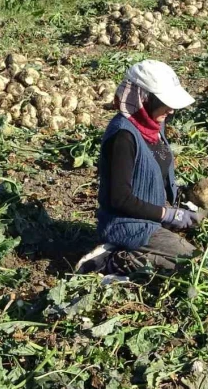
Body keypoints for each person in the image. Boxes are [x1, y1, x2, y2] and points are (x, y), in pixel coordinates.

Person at [78, 60, 199, 275]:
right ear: (144, 98)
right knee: (193, 265)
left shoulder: (153, 123)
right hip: (127, 223)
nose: (171, 110)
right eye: (164, 101)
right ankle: (113, 260)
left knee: (200, 252)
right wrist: (167, 214)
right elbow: (119, 199)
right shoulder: (123, 137)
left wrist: (177, 208)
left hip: (151, 216)